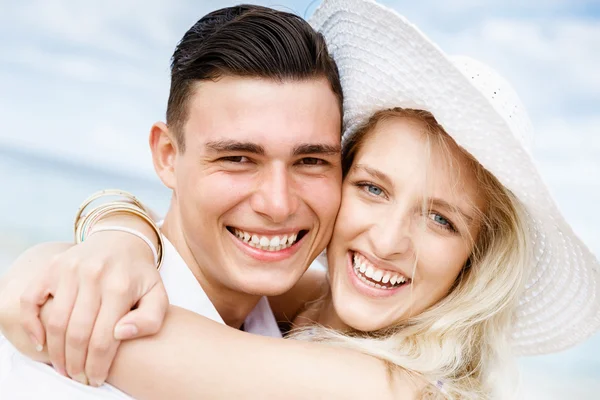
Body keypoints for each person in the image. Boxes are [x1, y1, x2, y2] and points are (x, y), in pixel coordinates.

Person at [2, 0, 600, 398]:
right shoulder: (292, 306)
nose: (389, 241)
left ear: (476, 256)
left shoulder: (393, 385)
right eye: (372, 188)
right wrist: (121, 227)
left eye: (441, 220)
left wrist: (40, 276)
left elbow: (41, 310)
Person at [0, 4, 344, 399]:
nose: (278, 204)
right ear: (167, 155)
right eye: (238, 159)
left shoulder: (296, 323)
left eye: (311, 161)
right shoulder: (73, 371)